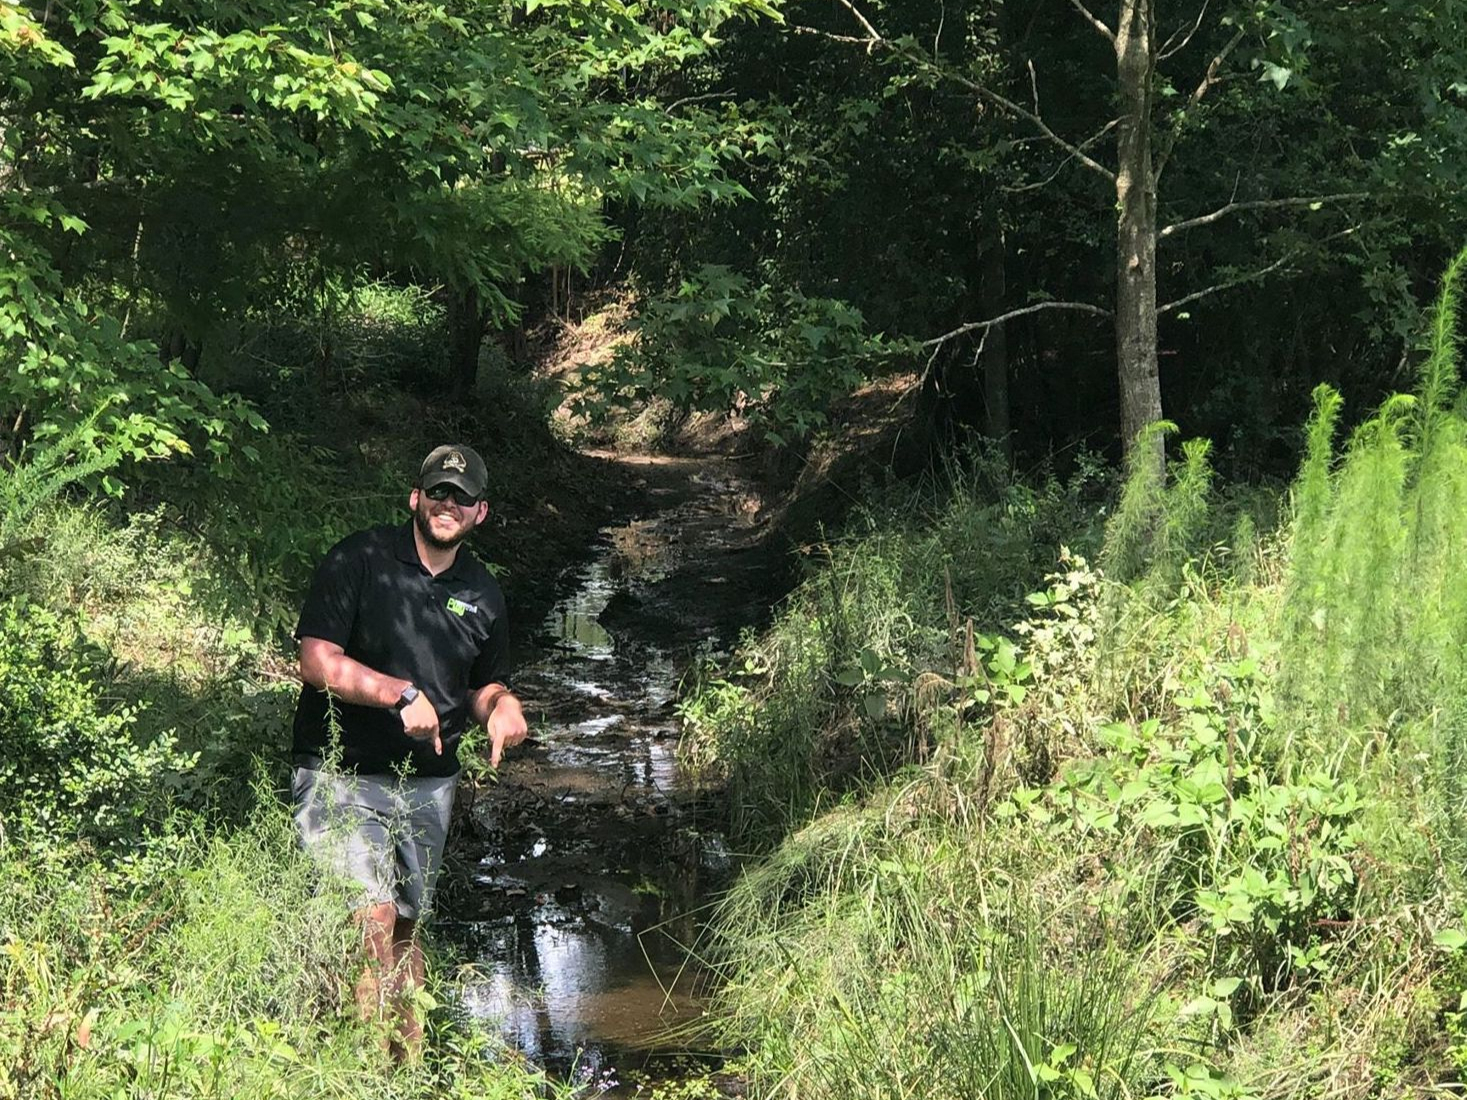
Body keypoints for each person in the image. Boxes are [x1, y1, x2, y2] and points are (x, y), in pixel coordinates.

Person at [289, 443, 528, 1057]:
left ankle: (406, 1061)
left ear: (480, 513)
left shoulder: (485, 595)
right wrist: (399, 694)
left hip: (428, 784)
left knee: (403, 924)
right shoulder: (360, 559)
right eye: (439, 492)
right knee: (367, 921)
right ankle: (361, 1068)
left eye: (464, 497)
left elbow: (481, 686)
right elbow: (316, 663)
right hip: (340, 773)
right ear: (416, 499)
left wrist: (502, 708)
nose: (450, 503)